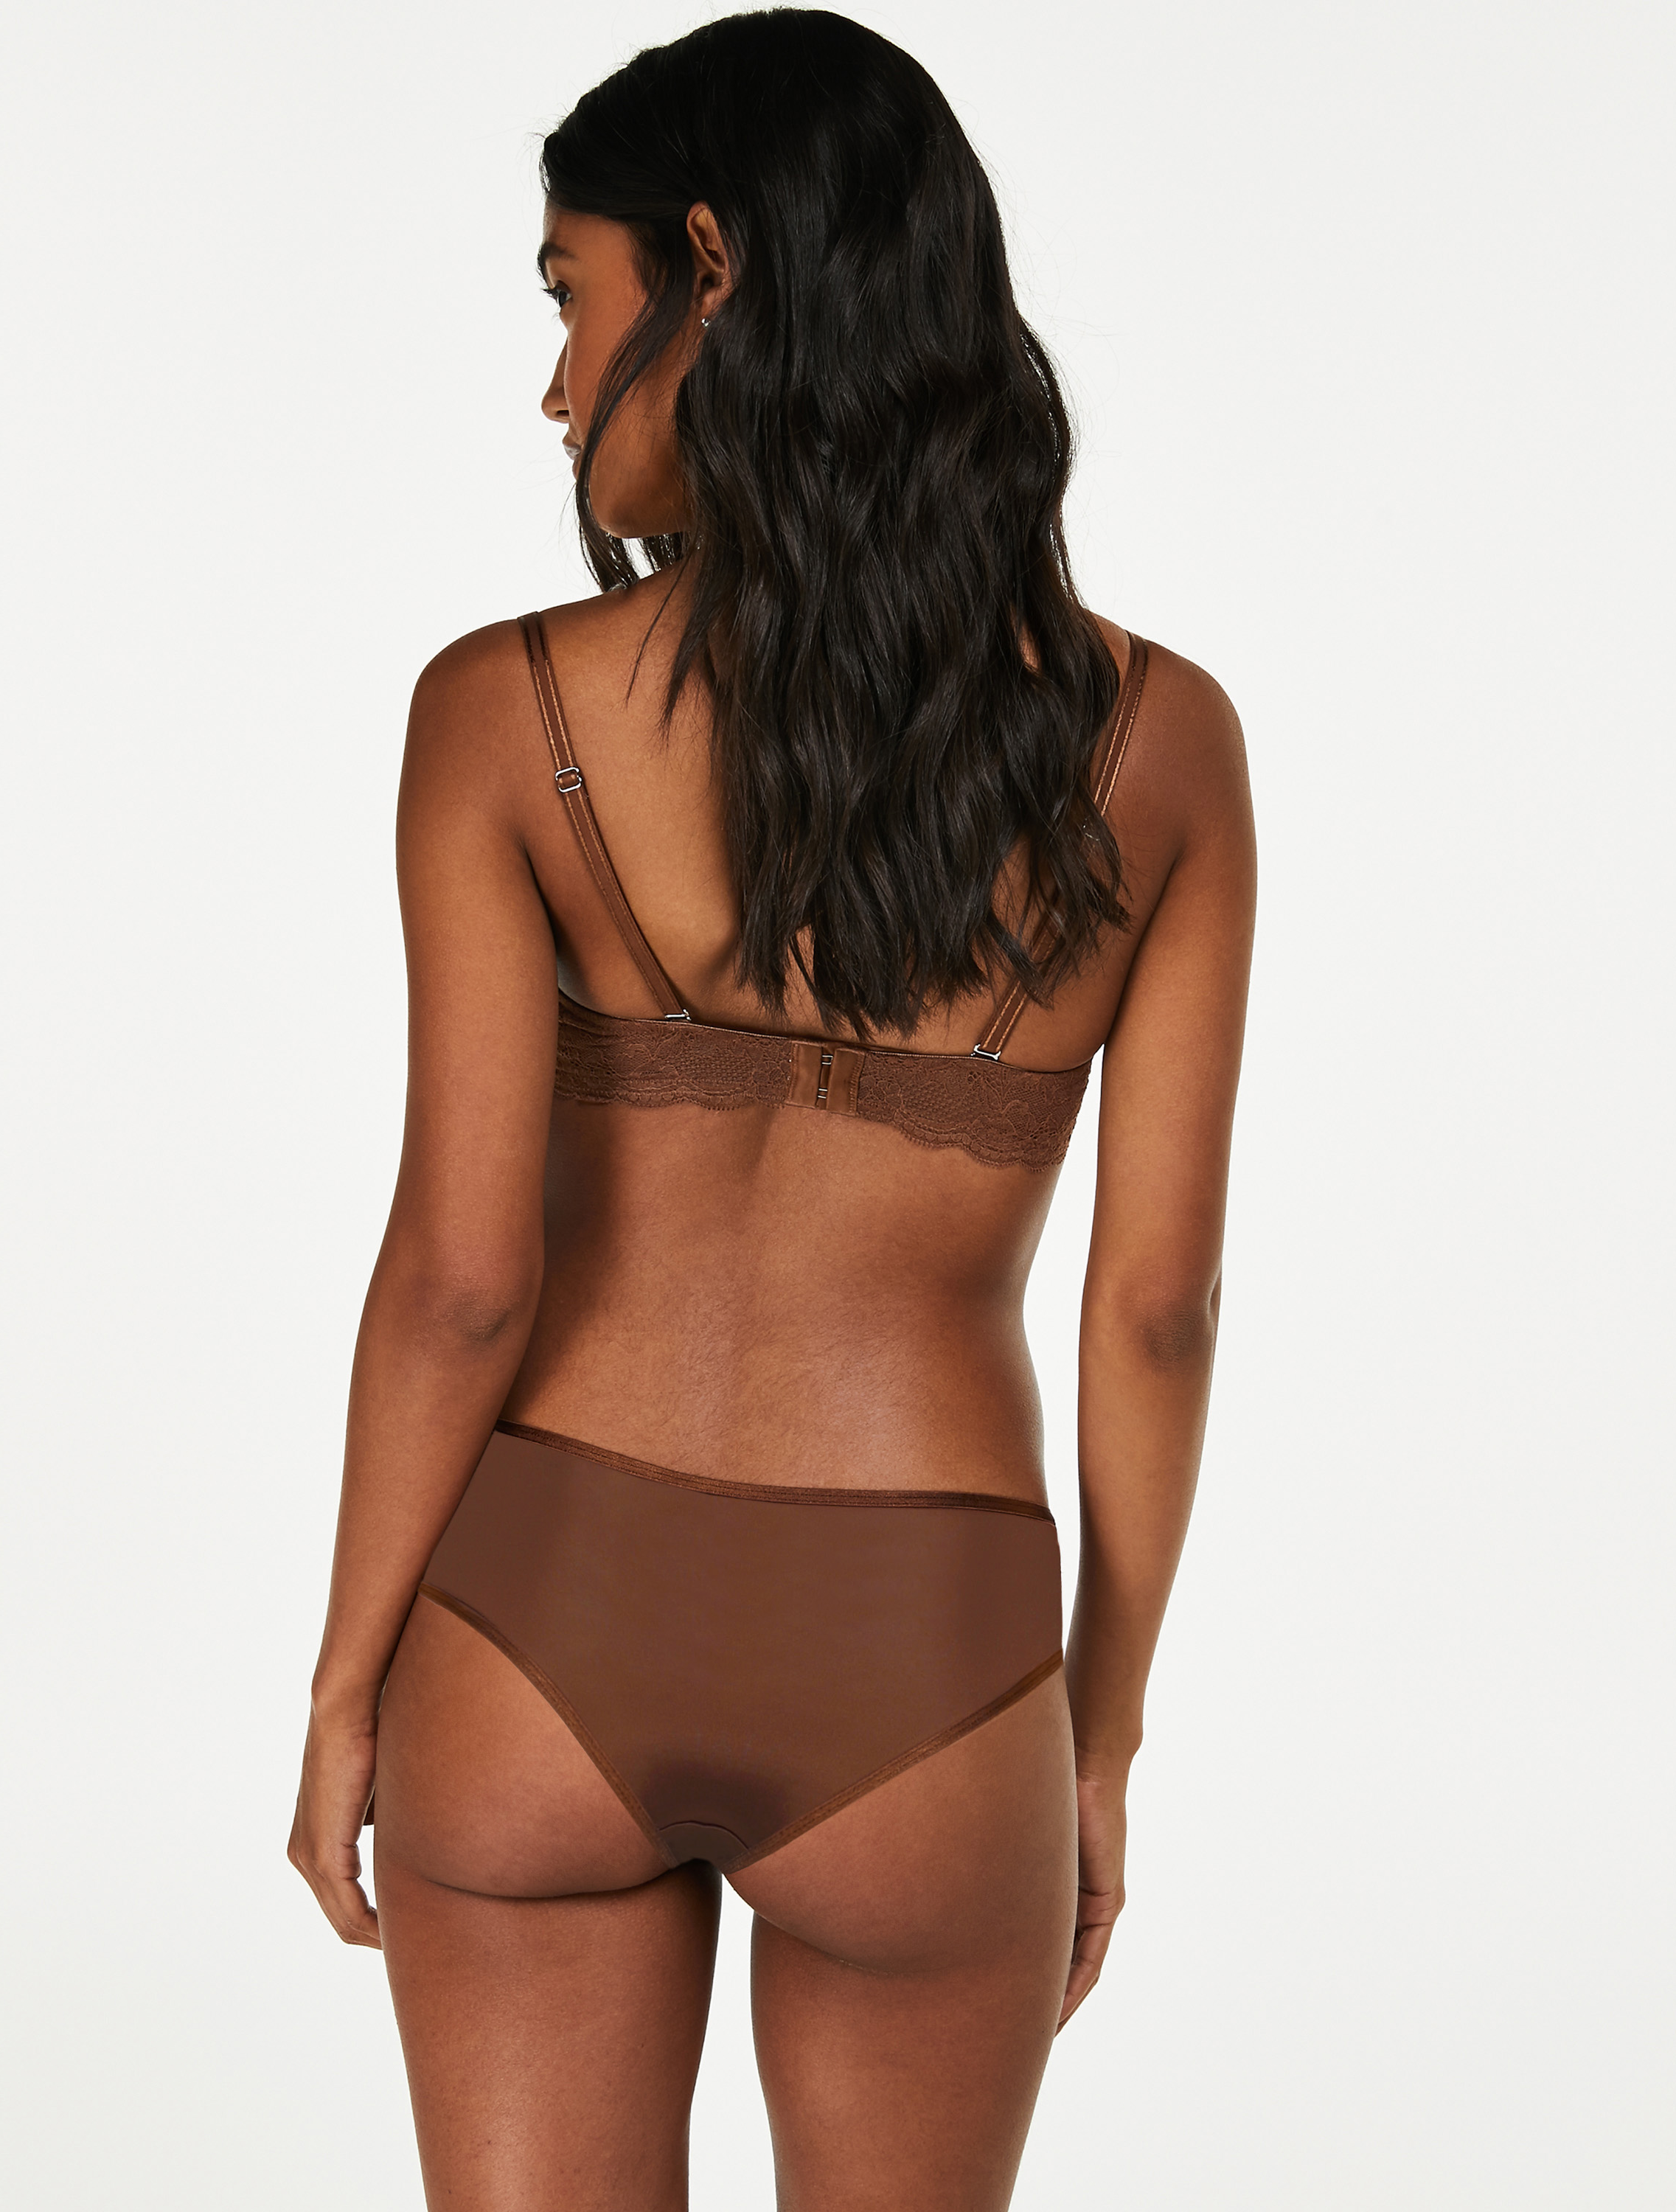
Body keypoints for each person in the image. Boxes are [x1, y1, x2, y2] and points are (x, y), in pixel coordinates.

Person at [288, 11, 1253, 2207]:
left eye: (571, 295)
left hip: (533, 1628)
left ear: (710, 268)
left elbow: (459, 1279)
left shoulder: (501, 715)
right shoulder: (1165, 749)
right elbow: (1157, 1308)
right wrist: (1092, 1740)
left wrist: (348, 1680)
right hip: (928, 1662)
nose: (554, 387)